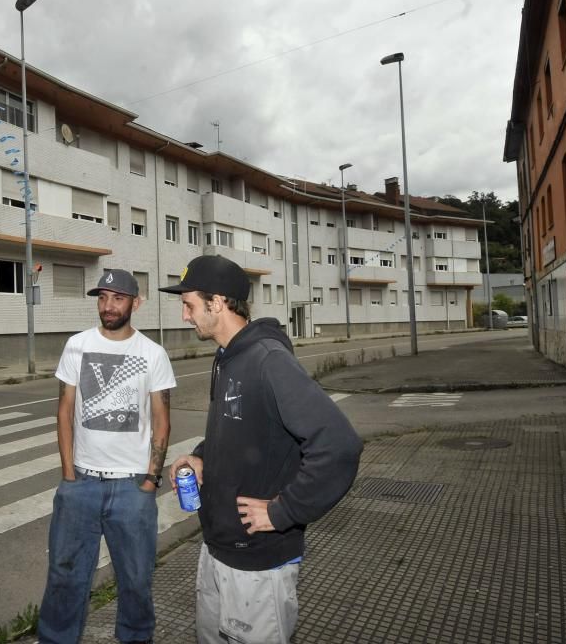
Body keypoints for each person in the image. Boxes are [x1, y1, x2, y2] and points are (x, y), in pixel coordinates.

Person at [160, 255, 363, 644]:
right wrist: (202, 454)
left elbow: (339, 445)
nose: (185, 316)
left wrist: (284, 510)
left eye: (188, 304)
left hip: (257, 561)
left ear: (216, 302)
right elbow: (241, 429)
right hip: (219, 546)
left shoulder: (268, 360)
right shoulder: (227, 358)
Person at [38, 269, 177, 644]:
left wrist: (151, 479)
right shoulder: (77, 345)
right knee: (65, 578)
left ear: (136, 303)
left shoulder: (152, 354)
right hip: (80, 483)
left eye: (117, 298)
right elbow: (64, 409)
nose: (108, 306)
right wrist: (68, 472)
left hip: (132, 488)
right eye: (102, 298)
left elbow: (162, 421)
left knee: (135, 580)